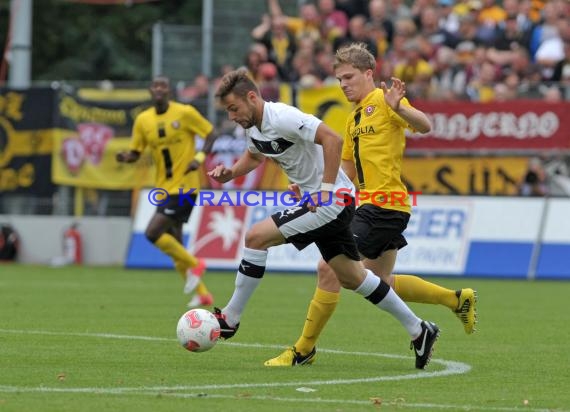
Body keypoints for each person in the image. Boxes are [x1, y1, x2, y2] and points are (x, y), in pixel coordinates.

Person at [208, 69, 440, 370]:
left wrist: (325, 191)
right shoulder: (255, 128)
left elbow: (331, 139)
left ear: (252, 97)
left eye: (234, 108)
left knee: (255, 237)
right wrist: (231, 173)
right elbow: (254, 156)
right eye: (228, 111)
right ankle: (419, 330)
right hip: (325, 202)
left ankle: (230, 318)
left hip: (331, 202)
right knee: (353, 277)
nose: (232, 116)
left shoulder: (282, 117)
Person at [265, 43, 477, 367]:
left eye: (349, 77)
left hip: (384, 205)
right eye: (339, 79)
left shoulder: (383, 99)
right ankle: (455, 300)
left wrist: (401, 108)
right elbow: (346, 172)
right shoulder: (351, 121)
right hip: (370, 206)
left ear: (368, 74)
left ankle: (303, 349)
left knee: (330, 269)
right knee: (377, 282)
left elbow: (425, 125)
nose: (343, 84)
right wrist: (313, 191)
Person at [116, 75, 216, 308]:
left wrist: (199, 158)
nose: (159, 89)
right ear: (150, 91)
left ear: (169, 91)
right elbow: (136, 152)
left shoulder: (185, 113)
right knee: (174, 242)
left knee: (152, 232)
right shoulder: (143, 120)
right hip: (164, 188)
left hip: (185, 187)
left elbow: (211, 135)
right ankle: (203, 294)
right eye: (155, 86)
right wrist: (125, 157)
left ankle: (196, 264)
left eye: (163, 86)